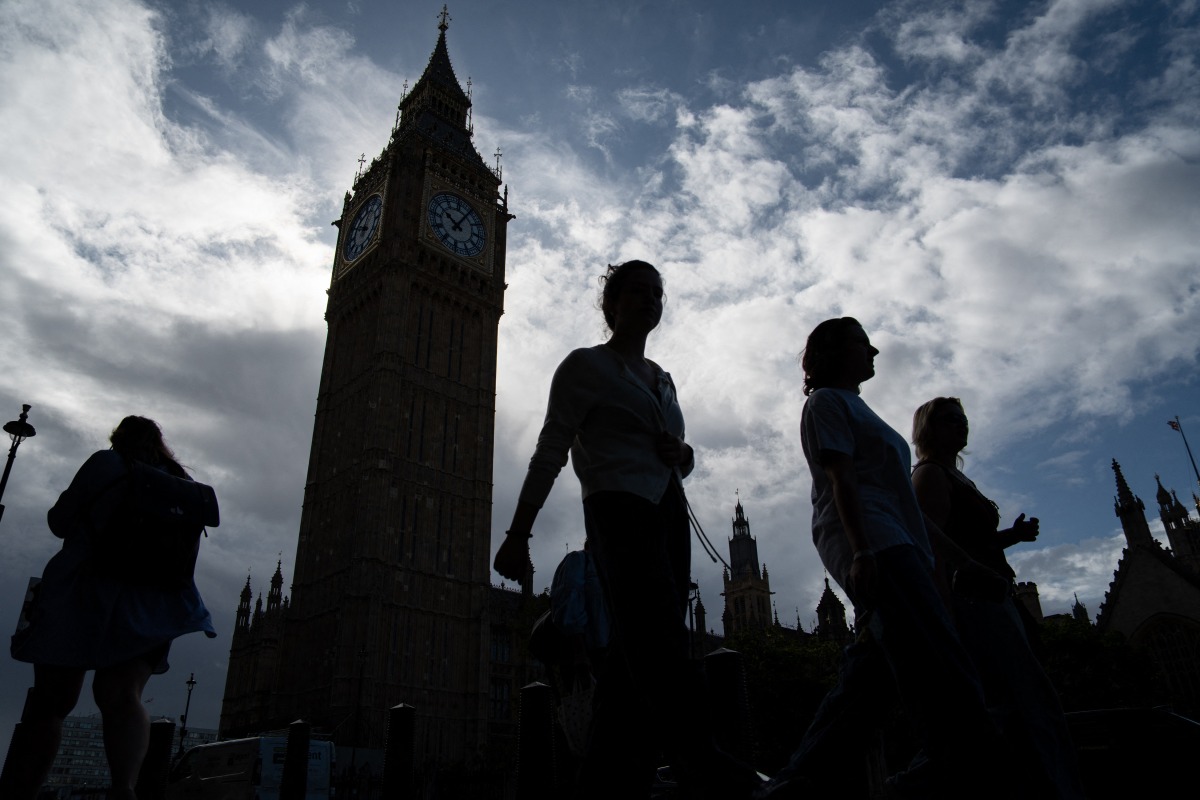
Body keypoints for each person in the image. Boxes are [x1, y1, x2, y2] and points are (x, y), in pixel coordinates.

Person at [493, 260, 760, 800]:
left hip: (668, 513)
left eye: (657, 294)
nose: (650, 302)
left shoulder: (662, 378)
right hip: (617, 508)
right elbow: (550, 450)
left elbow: (680, 458)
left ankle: (609, 784)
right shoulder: (584, 367)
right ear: (610, 304)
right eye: (637, 292)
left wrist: (683, 453)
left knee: (628, 661)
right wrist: (519, 533)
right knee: (661, 645)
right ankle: (708, 768)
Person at [760, 317, 1000, 800]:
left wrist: (959, 561)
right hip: (876, 543)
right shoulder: (825, 402)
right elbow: (840, 478)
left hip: (900, 542)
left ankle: (793, 785)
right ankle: (933, 774)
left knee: (871, 679)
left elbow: (908, 508)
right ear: (835, 351)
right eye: (862, 343)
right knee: (945, 668)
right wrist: (862, 550)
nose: (873, 351)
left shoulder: (858, 407)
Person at [9, 416, 217, 800]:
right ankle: (124, 790)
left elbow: (59, 521)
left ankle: (23, 791)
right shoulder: (183, 484)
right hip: (153, 605)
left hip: (84, 592)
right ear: (160, 443)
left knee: (52, 701)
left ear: (117, 438)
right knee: (123, 696)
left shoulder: (107, 463)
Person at [911, 397, 1086, 799]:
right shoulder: (930, 476)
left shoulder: (957, 477)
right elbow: (931, 545)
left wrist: (1013, 536)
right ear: (929, 429)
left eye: (963, 419)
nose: (961, 425)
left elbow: (972, 543)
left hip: (996, 594)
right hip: (974, 602)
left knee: (1014, 702)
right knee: (1022, 702)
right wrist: (944, 612)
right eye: (950, 420)